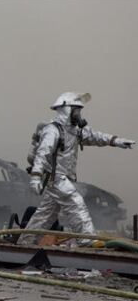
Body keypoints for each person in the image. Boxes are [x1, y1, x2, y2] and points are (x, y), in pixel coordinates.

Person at [18, 92, 135, 245]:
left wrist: (116, 141)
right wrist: (35, 177)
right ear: (66, 110)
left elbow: (95, 136)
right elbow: (42, 154)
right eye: (76, 110)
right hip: (55, 178)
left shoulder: (75, 131)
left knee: (46, 214)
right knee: (76, 202)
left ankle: (25, 241)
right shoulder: (52, 130)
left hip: (65, 178)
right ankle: (87, 240)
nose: (79, 114)